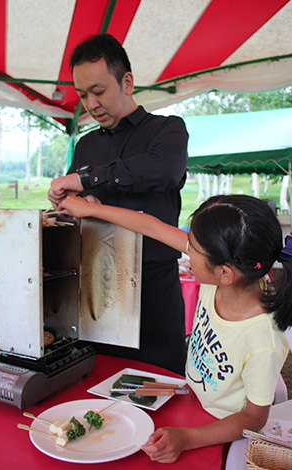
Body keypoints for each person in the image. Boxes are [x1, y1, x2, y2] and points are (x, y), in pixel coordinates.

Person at [57, 193, 291, 464]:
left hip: (218, 434)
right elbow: (151, 226)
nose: (186, 250)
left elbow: (253, 418)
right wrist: (87, 209)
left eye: (192, 247)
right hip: (189, 399)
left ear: (225, 274)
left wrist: (187, 438)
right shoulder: (227, 268)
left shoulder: (262, 339)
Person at [48, 34, 189, 375]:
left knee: (162, 388)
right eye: (82, 95)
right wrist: (70, 202)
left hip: (154, 292)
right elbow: (76, 202)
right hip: (98, 291)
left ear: (127, 82)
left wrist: (87, 180)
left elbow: (163, 170)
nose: (91, 104)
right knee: (96, 387)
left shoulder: (167, 130)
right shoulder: (85, 146)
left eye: (98, 91)